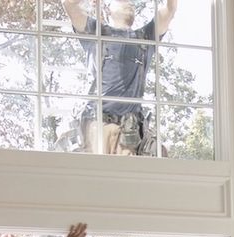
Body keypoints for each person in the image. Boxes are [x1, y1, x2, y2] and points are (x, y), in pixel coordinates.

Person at [62, 0, 179, 155]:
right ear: (107, 9)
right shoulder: (96, 32)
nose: (128, 2)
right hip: (97, 125)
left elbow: (170, 9)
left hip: (129, 132)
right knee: (93, 174)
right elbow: (69, 5)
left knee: (127, 176)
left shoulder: (145, 37)